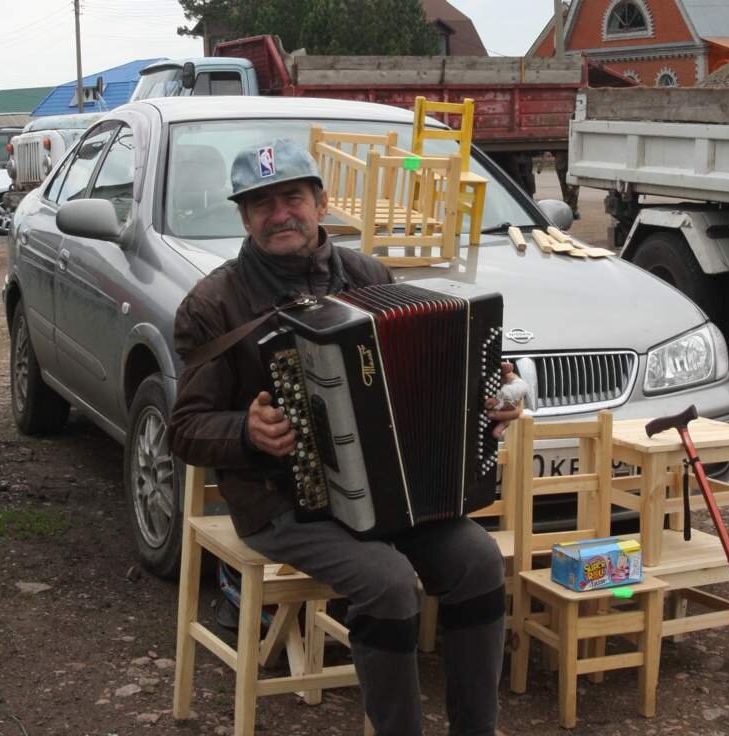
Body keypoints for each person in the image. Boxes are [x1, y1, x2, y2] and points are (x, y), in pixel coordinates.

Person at [171, 138, 522, 736]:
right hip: (282, 504)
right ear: (244, 218)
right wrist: (247, 432)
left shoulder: (368, 275)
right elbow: (183, 428)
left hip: (389, 496)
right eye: (261, 204)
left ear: (322, 202)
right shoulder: (213, 303)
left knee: (478, 561)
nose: (279, 214)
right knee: (387, 582)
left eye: (292, 198)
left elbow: (419, 379)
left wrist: (484, 399)